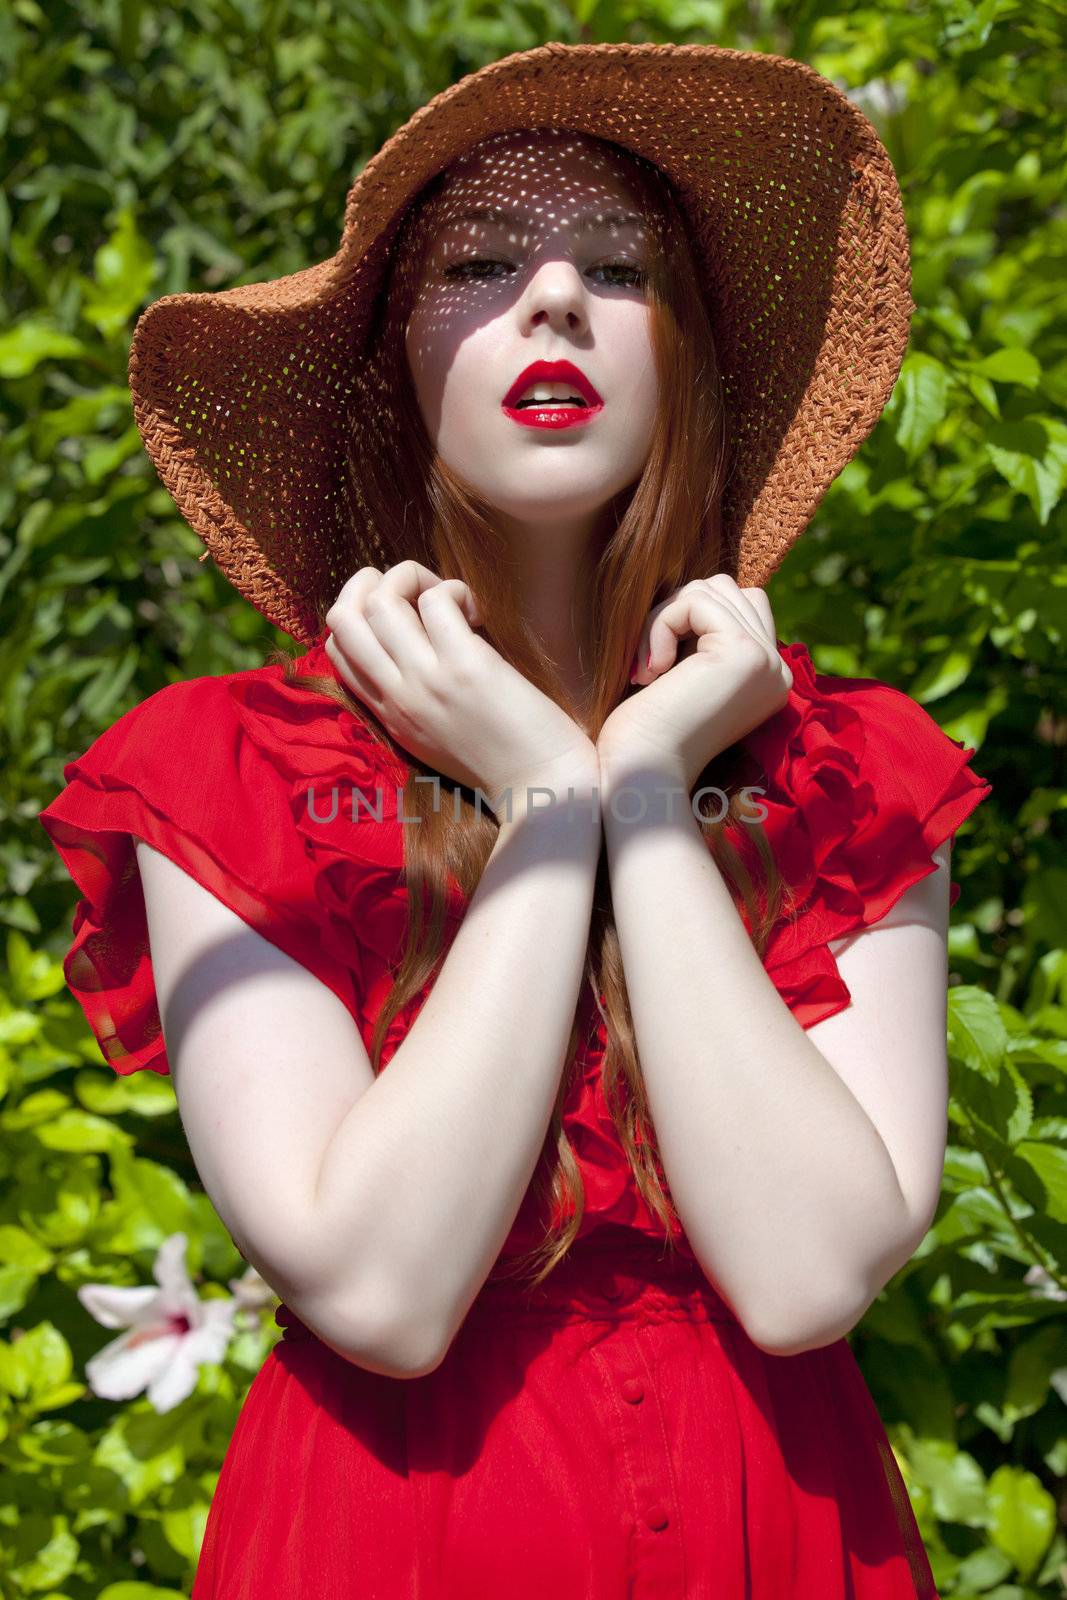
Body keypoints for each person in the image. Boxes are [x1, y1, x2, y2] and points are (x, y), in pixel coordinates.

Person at [38, 41, 990, 1598]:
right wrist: (549, 798)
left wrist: (643, 798)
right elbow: (384, 1288)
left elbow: (810, 1271)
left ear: (689, 359)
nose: (554, 300)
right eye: (481, 263)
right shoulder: (220, 772)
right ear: (391, 367)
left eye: (618, 269)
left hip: (779, 1533)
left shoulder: (846, 766)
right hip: (388, 1536)